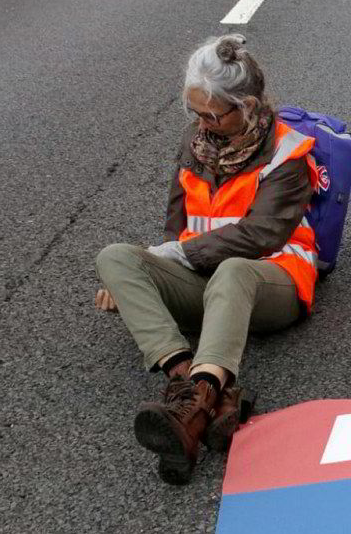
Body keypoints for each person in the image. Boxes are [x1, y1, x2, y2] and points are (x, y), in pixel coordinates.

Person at [94, 34, 318, 485]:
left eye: (212, 115)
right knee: (116, 257)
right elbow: (175, 225)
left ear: (247, 105)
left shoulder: (288, 155)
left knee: (234, 270)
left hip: (269, 283)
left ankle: (198, 400)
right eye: (194, 112)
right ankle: (188, 387)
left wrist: (175, 255)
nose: (202, 124)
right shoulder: (194, 144)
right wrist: (144, 280)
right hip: (203, 280)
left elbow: (260, 236)